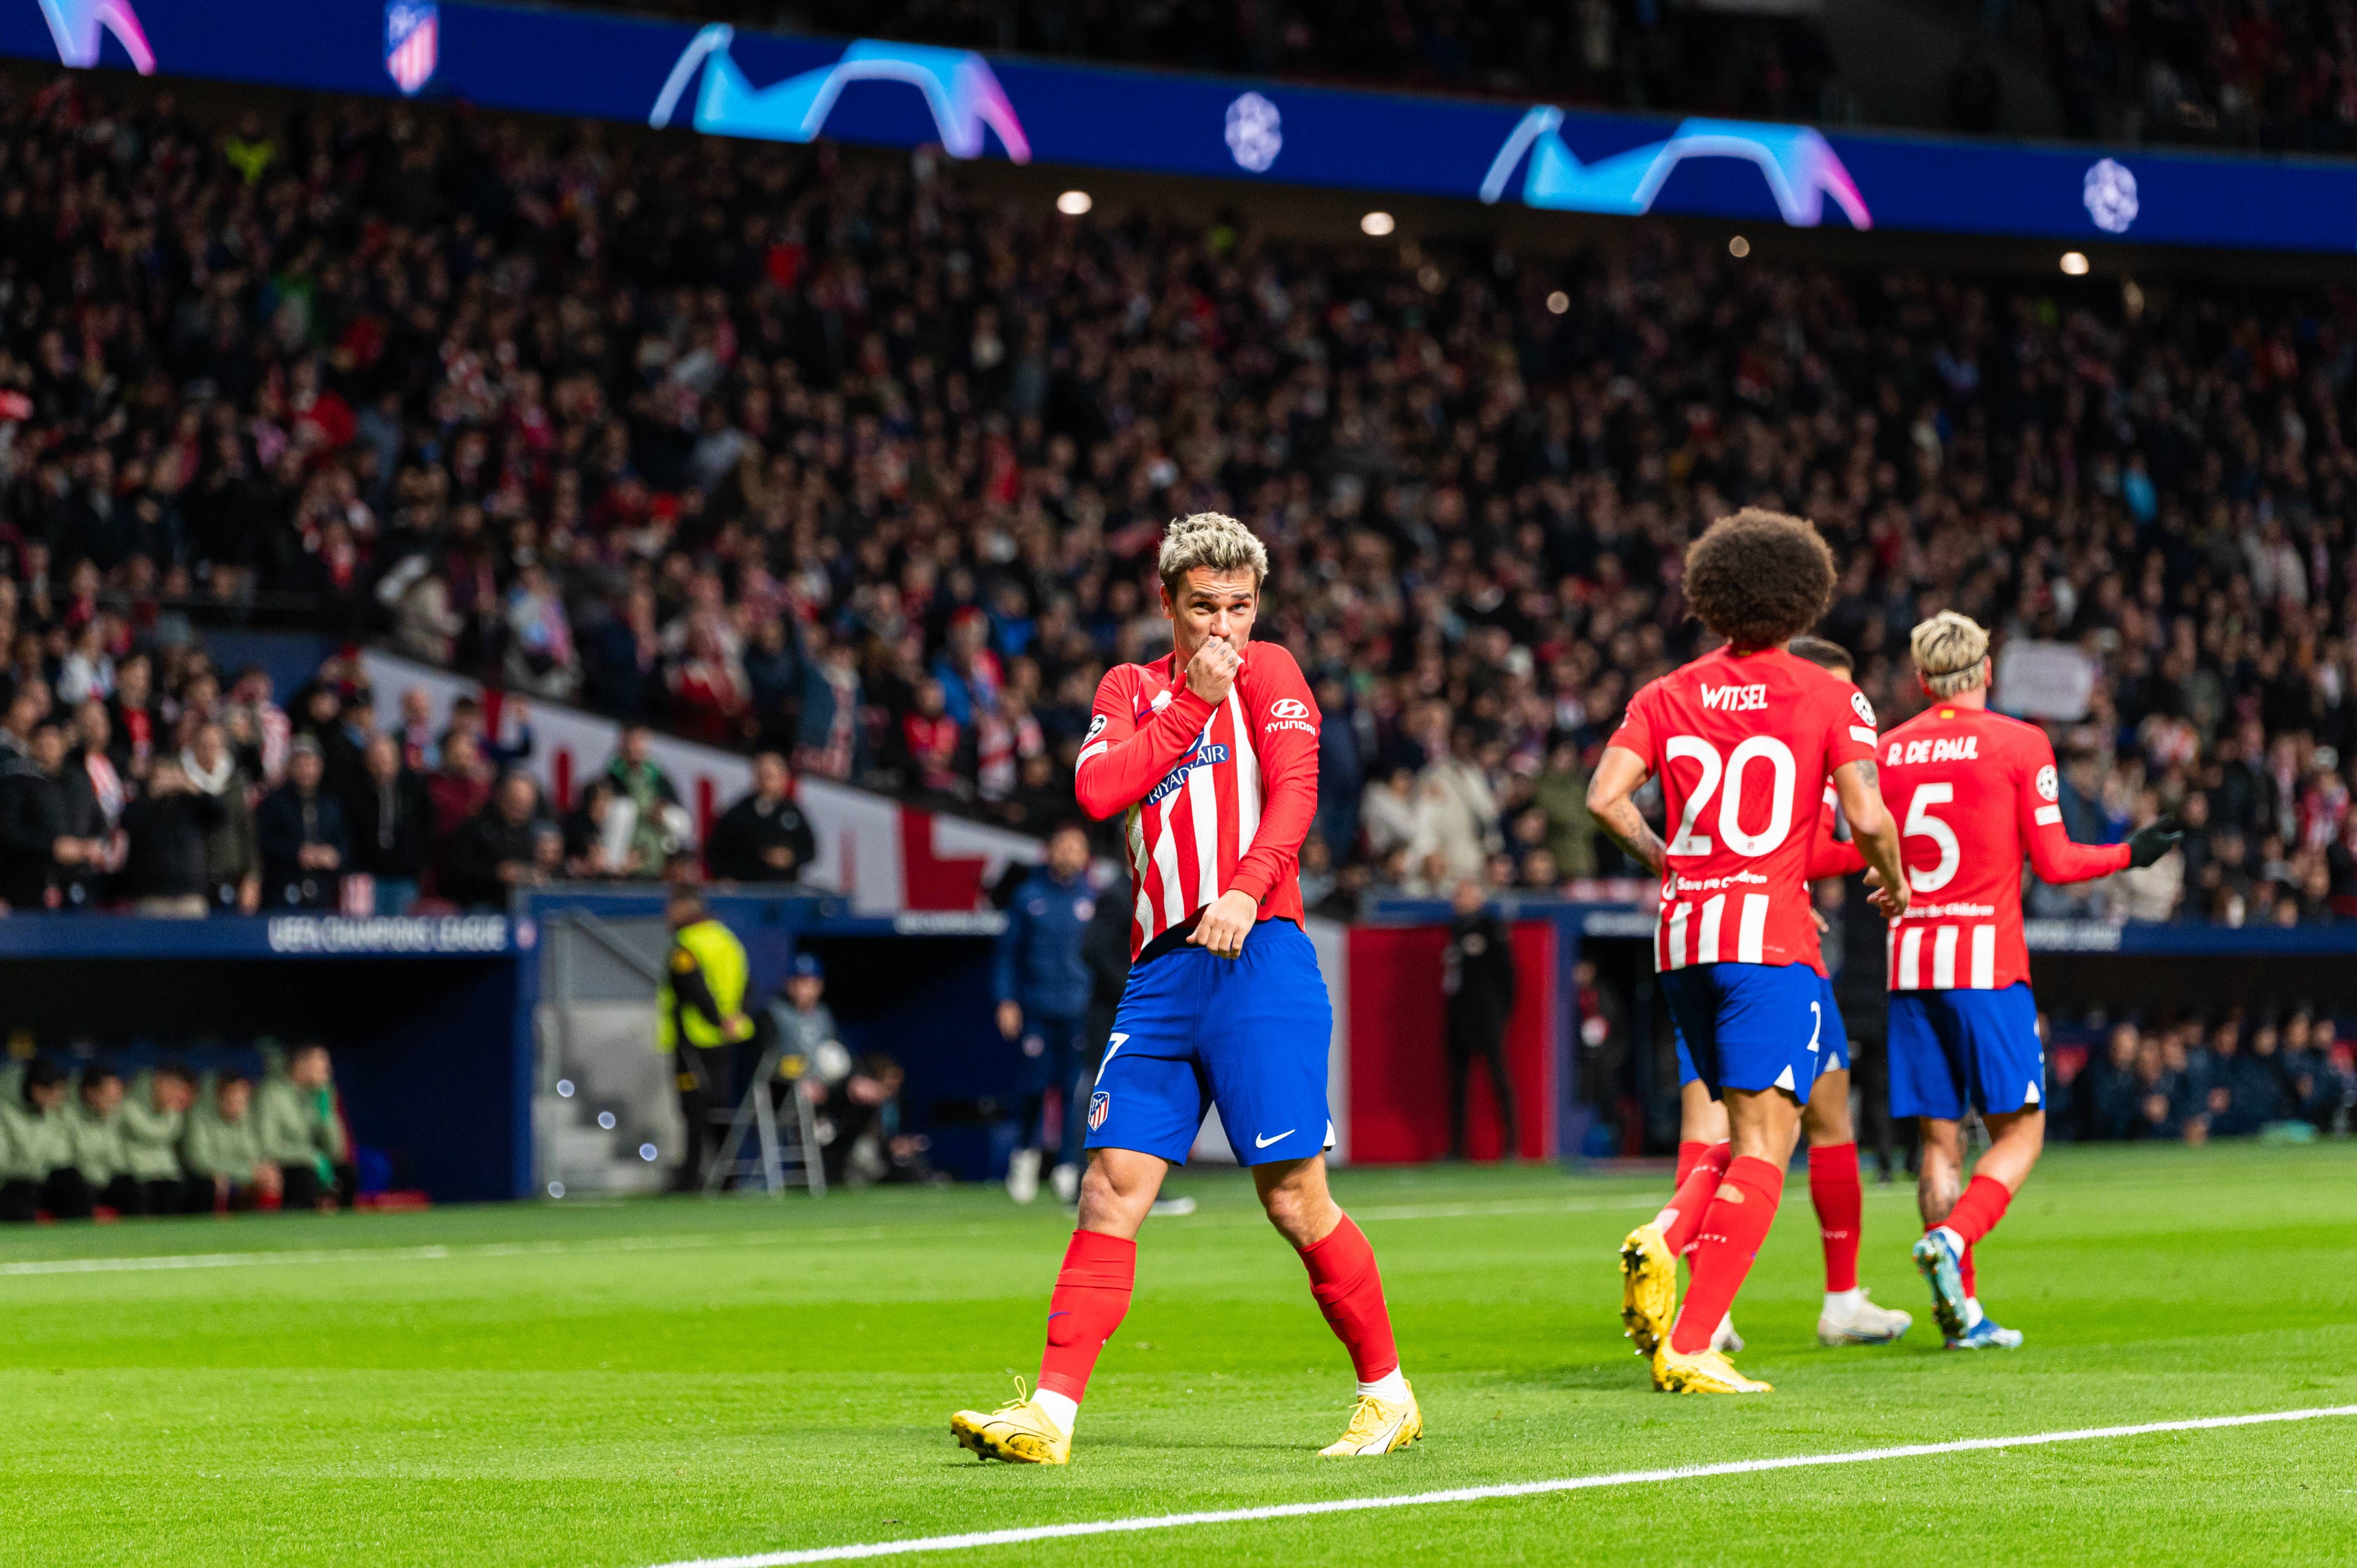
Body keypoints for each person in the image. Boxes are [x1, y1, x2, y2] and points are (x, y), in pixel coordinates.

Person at [951, 511, 1418, 1466]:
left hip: (1261, 959)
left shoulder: (1275, 671)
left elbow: (1296, 792)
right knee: (1108, 1189)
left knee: (1293, 1198)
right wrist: (1189, 708)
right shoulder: (1131, 687)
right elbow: (1095, 792)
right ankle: (1051, 1412)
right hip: (1161, 970)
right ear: (1166, 602)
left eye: (1239, 606)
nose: (1222, 627)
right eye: (1203, 606)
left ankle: (1386, 1392)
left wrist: (1246, 889)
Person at [1587, 508, 1911, 1395]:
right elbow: (1869, 817)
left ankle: (1666, 1229)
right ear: (1804, 597)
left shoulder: (1665, 691)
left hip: (1683, 937)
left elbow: (1603, 798)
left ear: (1711, 595)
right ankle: (1691, 1341)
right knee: (1770, 1143)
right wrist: (1896, 882)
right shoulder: (1824, 694)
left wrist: (1664, 858)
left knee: (1731, 1131)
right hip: (1768, 939)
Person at [1832, 611, 2180, 1349]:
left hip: (1912, 964)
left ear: (1922, 680)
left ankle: (1961, 1314)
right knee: (2020, 1133)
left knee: (1939, 1141)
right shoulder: (2021, 743)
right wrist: (2128, 855)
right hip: (1986, 965)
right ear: (1986, 671)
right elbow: (2054, 863)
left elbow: (1859, 843)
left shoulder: (1889, 750)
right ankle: (1954, 1244)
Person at [993, 822, 1098, 1204]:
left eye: (1077, 847)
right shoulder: (1028, 897)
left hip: (1079, 1010)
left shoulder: (1094, 898)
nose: (1070, 853)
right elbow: (1007, 955)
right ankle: (1024, 1158)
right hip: (1036, 1008)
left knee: (1075, 1092)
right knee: (1034, 1086)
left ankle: (1068, 1169)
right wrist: (1006, 1001)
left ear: (1086, 856)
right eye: (1063, 846)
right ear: (1049, 852)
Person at [655, 885, 753, 1190]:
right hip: (727, 1041)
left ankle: (690, 1178)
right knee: (719, 1106)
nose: (667, 914)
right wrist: (734, 1017)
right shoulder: (728, 940)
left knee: (694, 1109)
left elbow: (692, 987)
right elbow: (746, 984)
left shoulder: (688, 943)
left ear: (686, 908)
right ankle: (729, 1176)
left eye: (672, 907)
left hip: (694, 1040)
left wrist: (715, 1020)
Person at [1442, 878, 1518, 1161]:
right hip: (1459, 1015)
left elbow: (1508, 977)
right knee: (1457, 1083)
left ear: (1478, 898)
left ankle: (1511, 1145)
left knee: (1498, 1078)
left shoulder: (1491, 927)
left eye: (1462, 893)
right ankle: (1457, 1148)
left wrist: (1500, 1016)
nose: (1456, 899)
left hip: (1487, 1018)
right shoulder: (1456, 929)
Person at [119, 756, 224, 917]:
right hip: (152, 896)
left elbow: (220, 814)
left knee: (193, 942)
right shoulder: (145, 804)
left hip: (190, 894)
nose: (168, 782)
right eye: (161, 775)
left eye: (172, 774)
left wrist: (191, 786)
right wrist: (152, 794)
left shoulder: (192, 804)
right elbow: (127, 822)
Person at [257, 1043, 353, 1210]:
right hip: (287, 1165)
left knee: (348, 1174)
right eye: (322, 1061)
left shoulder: (322, 1093)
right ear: (302, 1063)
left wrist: (325, 1109)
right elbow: (268, 1147)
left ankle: (344, 1233)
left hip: (314, 1164)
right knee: (305, 1174)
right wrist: (311, 1156)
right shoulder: (272, 1094)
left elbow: (336, 1150)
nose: (327, 1068)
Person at [255, 735, 347, 909]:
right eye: (301, 765)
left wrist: (334, 855)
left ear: (320, 768)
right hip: (282, 894)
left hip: (322, 895)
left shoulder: (331, 806)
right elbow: (263, 844)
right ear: (290, 767)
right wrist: (297, 854)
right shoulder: (273, 803)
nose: (306, 771)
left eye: (311, 764)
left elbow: (345, 845)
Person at [346, 733, 434, 915]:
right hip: (366, 879)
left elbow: (426, 828)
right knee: (365, 936)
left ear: (397, 759)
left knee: (400, 937)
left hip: (404, 879)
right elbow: (350, 834)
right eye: (376, 759)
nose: (381, 765)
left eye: (386, 758)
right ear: (367, 762)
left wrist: (416, 863)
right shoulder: (356, 793)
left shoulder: (414, 789)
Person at [182, 721, 261, 915]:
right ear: (194, 746)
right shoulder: (181, 777)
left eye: (215, 745)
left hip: (229, 873)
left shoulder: (236, 781)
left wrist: (253, 876)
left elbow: (247, 830)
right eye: (203, 744)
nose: (209, 750)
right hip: (193, 876)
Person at [705, 752, 816, 884]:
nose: (766, 782)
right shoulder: (739, 812)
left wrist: (790, 858)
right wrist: (725, 876)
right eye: (762, 776)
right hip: (746, 889)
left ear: (784, 779)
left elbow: (809, 850)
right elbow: (715, 850)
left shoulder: (793, 813)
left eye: (771, 777)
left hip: (782, 890)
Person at [445, 772, 547, 908]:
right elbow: (459, 866)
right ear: (500, 797)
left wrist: (535, 874)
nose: (521, 808)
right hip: (481, 905)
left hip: (523, 906)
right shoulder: (476, 826)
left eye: (526, 803)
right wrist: (496, 872)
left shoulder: (536, 831)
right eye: (515, 801)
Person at [181, 1073, 278, 1211]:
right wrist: (246, 1172)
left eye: (242, 1098)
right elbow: (199, 1161)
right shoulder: (199, 1117)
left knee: (272, 1175)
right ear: (219, 1097)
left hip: (241, 1176)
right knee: (219, 1183)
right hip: (205, 1179)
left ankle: (267, 1226)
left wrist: (262, 1170)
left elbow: (256, 1154)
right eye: (231, 1096)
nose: (236, 1102)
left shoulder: (248, 1119)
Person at [0, 1059, 80, 1220]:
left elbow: (61, 1156)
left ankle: (76, 1242)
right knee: (24, 1190)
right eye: (56, 1091)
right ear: (37, 1090)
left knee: (74, 1185)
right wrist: (32, 1173)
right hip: (9, 1184)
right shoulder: (5, 1113)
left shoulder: (53, 1113)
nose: (61, 1097)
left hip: (38, 1180)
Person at [66, 1066, 146, 1215]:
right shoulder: (67, 1115)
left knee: (132, 1188)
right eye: (109, 1099)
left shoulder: (115, 1117)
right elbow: (66, 1160)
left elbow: (119, 1158)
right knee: (78, 1190)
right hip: (78, 1181)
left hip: (107, 1180)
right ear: (90, 1093)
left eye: (117, 1100)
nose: (115, 1105)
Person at [121, 1063, 197, 1215]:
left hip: (165, 1172)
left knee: (180, 1189)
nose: (174, 1093)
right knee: (138, 1192)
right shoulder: (129, 1106)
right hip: (135, 1172)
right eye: (170, 1087)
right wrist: (171, 1113)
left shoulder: (173, 1111)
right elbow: (145, 1131)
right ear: (156, 1083)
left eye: (177, 1088)